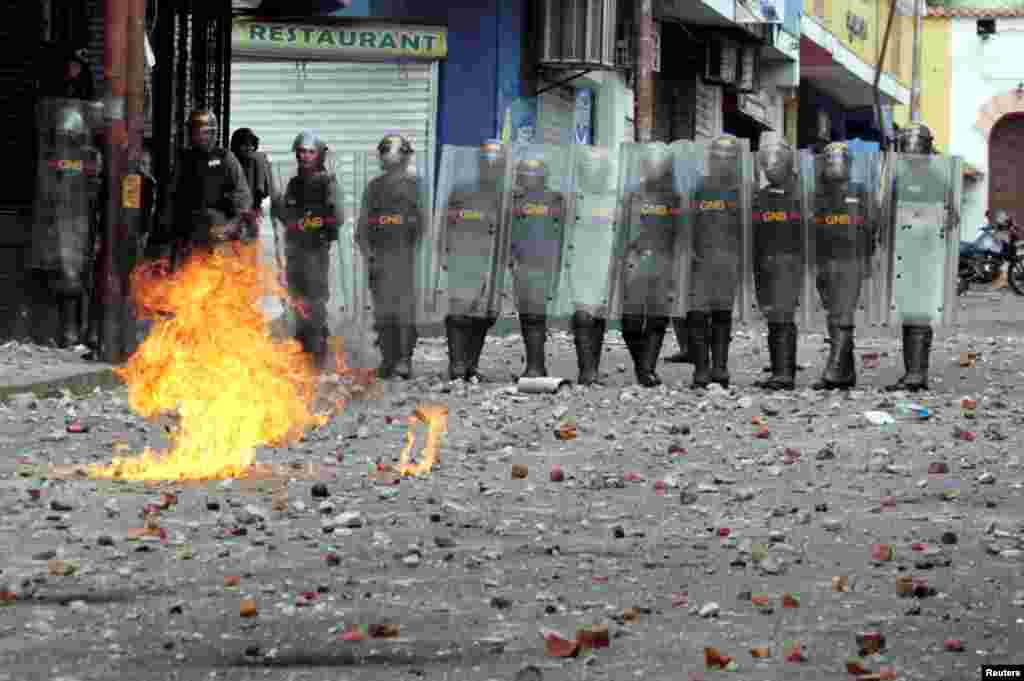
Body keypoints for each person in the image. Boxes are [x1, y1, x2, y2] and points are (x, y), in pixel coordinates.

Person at [885, 123, 959, 392]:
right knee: (908, 313)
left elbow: (952, 217)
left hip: (926, 255)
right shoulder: (899, 179)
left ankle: (917, 374)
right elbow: (888, 217)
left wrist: (924, 223)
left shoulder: (938, 179)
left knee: (920, 314)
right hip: (903, 255)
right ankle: (912, 373)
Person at [29, 99, 102, 348]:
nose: (68, 140)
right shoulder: (51, 160)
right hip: (60, 219)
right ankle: (63, 330)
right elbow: (46, 189)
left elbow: (96, 189)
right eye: (64, 135)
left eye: (72, 135)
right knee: (61, 275)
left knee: (80, 276)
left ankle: (79, 330)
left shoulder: (90, 158)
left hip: (81, 220)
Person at [356, 135, 426, 379]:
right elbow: (362, 227)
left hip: (405, 258)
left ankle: (404, 360)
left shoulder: (416, 186)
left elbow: (423, 224)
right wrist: (370, 255)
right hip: (380, 258)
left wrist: (417, 255)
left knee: (404, 311)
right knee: (383, 311)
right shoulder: (374, 187)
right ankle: (388, 360)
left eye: (389, 150)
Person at [439, 140, 508, 381]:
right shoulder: (462, 191)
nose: (491, 168)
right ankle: (457, 365)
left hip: (493, 262)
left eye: (496, 163)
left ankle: (470, 365)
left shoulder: (507, 195)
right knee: (459, 312)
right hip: (464, 257)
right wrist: (444, 253)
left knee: (485, 315)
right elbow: (446, 224)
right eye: (487, 163)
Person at [272, 130, 342, 368]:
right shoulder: (293, 183)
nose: (305, 156)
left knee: (315, 301)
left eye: (310, 152)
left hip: (315, 250)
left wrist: (314, 225)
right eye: (301, 151)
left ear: (319, 155)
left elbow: (336, 217)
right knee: (297, 300)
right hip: (295, 251)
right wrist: (279, 207)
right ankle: (302, 350)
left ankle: (318, 354)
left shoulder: (326, 182)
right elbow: (288, 218)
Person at [811, 142, 873, 390]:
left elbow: (872, 225)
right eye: (830, 159)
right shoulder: (819, 193)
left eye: (839, 159)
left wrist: (868, 258)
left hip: (851, 258)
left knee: (844, 313)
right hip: (825, 258)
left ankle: (835, 371)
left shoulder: (860, 191)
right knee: (833, 313)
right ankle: (846, 372)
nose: (835, 165)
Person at [618, 144, 680, 387]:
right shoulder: (632, 194)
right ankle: (642, 366)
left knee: (657, 319)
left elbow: (682, 233)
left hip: (664, 261)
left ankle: (647, 370)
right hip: (635, 261)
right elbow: (622, 229)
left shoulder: (675, 197)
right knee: (631, 323)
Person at [157, 110, 252, 268]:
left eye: (201, 132)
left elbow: (242, 195)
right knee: (185, 280)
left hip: (218, 231)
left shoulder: (225, 158)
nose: (198, 137)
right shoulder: (184, 159)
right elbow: (171, 195)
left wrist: (234, 224)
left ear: (212, 133)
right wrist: (168, 231)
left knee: (219, 279)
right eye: (194, 132)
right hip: (189, 233)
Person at [688, 135, 746, 389]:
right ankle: (701, 368)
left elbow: (748, 228)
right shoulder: (700, 186)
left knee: (722, 314)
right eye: (718, 156)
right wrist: (688, 249)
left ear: (735, 160)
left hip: (729, 259)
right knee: (698, 314)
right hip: (701, 259)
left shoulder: (743, 188)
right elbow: (689, 220)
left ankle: (720, 368)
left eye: (728, 157)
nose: (722, 161)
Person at [508, 155, 567, 379]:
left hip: (544, 264)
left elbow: (562, 232)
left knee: (533, 316)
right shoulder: (515, 199)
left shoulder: (555, 200)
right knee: (529, 316)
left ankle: (536, 366)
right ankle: (535, 364)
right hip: (524, 263)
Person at [752, 142, 804, 390]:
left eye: (776, 161)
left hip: (788, 262)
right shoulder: (760, 196)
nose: (771, 167)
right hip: (764, 263)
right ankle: (779, 369)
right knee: (773, 316)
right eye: (767, 162)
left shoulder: (800, 194)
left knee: (783, 316)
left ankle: (784, 373)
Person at [230, 127, 272, 239]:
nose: (249, 148)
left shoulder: (257, 160)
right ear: (236, 146)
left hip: (250, 212)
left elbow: (261, 192)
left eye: (251, 144)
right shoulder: (231, 162)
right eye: (245, 145)